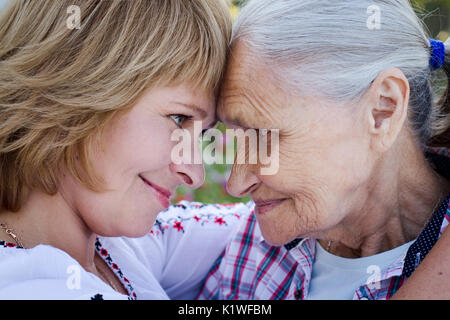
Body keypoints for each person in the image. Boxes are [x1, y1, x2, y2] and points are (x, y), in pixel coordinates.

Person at [194, 0, 450, 300]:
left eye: (265, 135)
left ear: (383, 109)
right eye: (237, 136)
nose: (237, 184)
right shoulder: (256, 247)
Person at [0, 0, 236, 299]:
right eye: (179, 119)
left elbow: (260, 231)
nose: (194, 173)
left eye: (202, 135)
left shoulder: (113, 249)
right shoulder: (27, 287)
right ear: (79, 84)